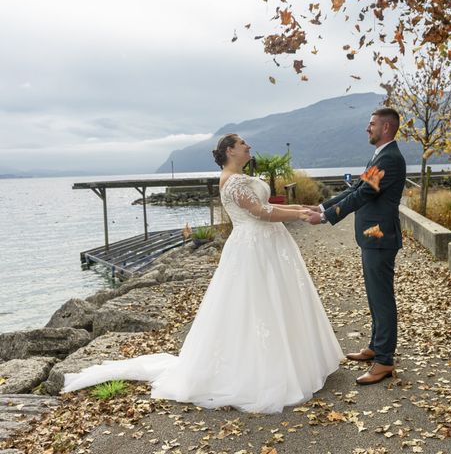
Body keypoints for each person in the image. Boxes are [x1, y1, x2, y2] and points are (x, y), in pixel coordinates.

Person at [63, 134, 344, 413]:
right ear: (230, 151)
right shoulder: (232, 181)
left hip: (268, 244)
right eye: (242, 144)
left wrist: (298, 207)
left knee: (278, 300)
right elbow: (260, 212)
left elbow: (268, 207)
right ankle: (262, 371)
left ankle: (291, 361)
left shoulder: (239, 177)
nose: (248, 146)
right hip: (253, 247)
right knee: (257, 304)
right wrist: (297, 215)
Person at [306, 107, 407, 385]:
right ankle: (376, 346)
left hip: (379, 238)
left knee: (382, 299)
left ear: (386, 128)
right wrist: (322, 206)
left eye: (371, 124)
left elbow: (363, 194)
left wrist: (326, 217)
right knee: (375, 297)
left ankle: (384, 361)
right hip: (372, 237)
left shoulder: (390, 159)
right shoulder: (381, 155)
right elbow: (355, 190)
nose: (367, 128)